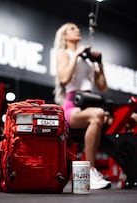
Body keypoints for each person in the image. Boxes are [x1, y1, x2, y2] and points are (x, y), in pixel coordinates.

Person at [53, 22, 112, 190]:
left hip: (90, 104)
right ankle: (89, 172)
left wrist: (98, 63)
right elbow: (64, 78)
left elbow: (103, 87)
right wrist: (76, 55)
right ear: (64, 36)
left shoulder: (87, 60)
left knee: (131, 119)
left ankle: (130, 173)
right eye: (72, 29)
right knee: (97, 114)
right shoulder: (63, 53)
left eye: (77, 28)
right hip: (72, 107)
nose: (77, 30)